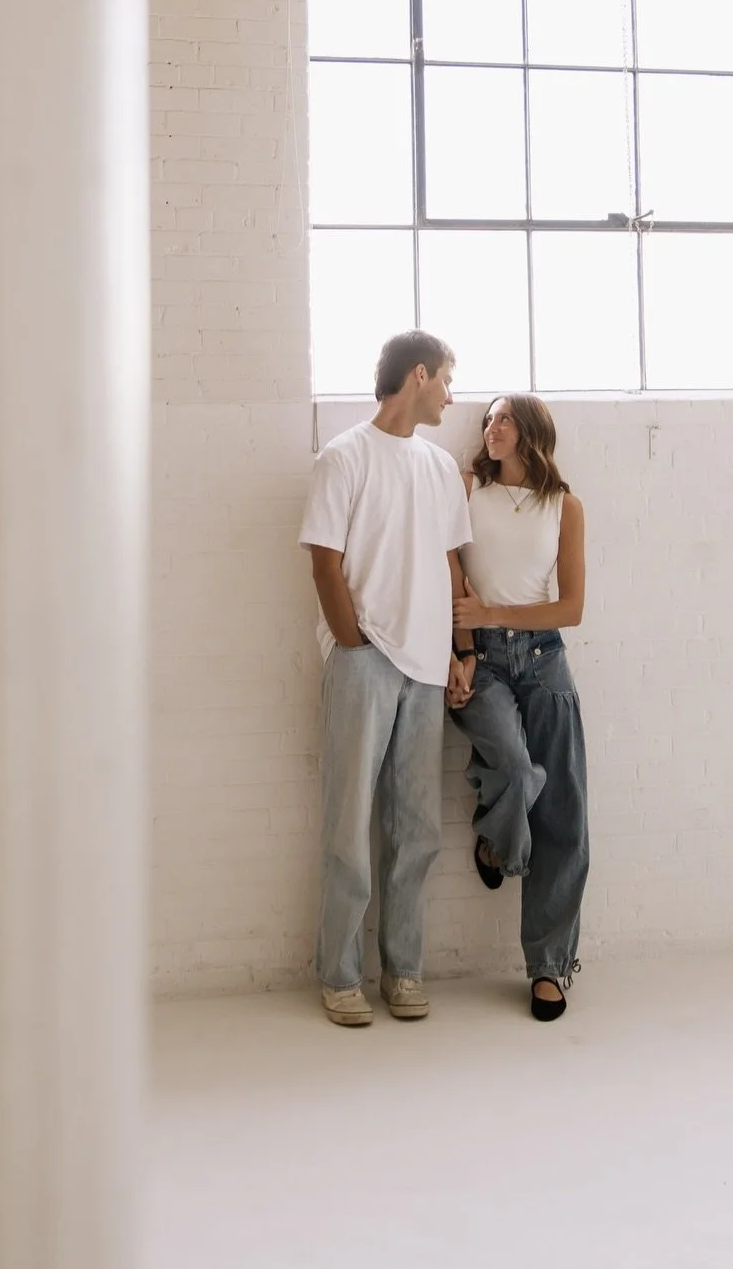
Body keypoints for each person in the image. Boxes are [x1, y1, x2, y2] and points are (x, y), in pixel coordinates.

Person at [299, 330, 474, 1027]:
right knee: (348, 826)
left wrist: (464, 653)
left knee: (417, 829)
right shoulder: (344, 457)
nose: (452, 396)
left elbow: (453, 566)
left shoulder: (437, 467)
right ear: (420, 374)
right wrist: (352, 638)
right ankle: (339, 976)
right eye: (448, 382)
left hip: (428, 668)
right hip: (365, 659)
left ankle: (403, 971)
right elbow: (323, 558)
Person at [448, 394, 588, 1022]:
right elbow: (452, 573)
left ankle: (549, 968)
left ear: (531, 429)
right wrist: (468, 642)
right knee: (513, 762)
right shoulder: (466, 487)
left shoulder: (566, 507)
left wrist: (494, 614)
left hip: (544, 660)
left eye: (503, 418)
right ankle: (501, 844)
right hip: (483, 662)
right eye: (487, 420)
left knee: (564, 810)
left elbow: (569, 609)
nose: (490, 427)